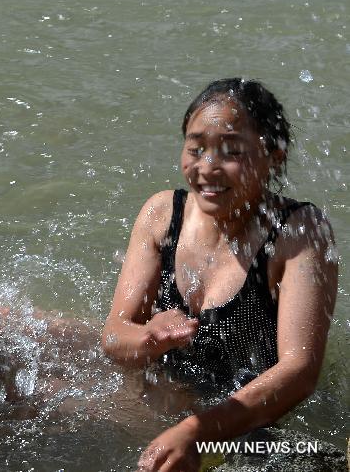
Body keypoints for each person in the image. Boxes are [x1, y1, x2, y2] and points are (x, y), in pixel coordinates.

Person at [101, 78, 338, 472]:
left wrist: (200, 431)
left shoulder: (298, 233)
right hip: (166, 399)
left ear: (273, 157)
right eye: (195, 149)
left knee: (288, 457)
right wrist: (150, 336)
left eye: (231, 152)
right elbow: (114, 335)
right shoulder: (162, 214)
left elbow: (299, 372)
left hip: (249, 421)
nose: (207, 168)